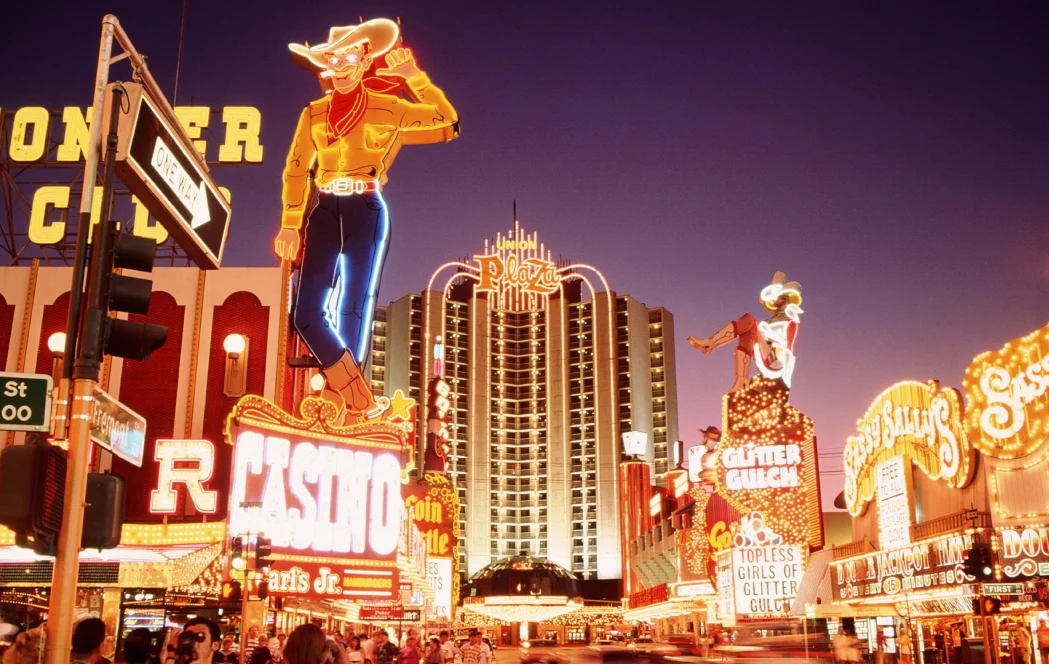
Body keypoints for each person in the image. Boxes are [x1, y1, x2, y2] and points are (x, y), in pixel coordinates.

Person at [276, 19, 460, 423]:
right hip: (323, 209)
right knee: (306, 313)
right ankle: (359, 397)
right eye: (333, 57)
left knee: (353, 309)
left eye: (349, 56)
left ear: (363, 61)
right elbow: (295, 168)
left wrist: (415, 77)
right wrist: (290, 221)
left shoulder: (388, 107)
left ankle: (351, 409)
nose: (340, 64)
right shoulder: (313, 114)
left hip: (367, 208)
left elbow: (448, 123)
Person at [688, 271, 803, 393]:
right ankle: (741, 380)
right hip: (762, 356)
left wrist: (786, 379)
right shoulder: (768, 321)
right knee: (747, 332)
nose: (776, 299)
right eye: (774, 296)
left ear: (786, 298)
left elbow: (789, 350)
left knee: (749, 321)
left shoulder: (790, 322)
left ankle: (712, 342)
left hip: (775, 361)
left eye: (779, 296)